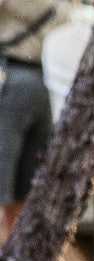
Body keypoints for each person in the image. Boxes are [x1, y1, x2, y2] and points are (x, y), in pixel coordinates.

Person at [0, 1, 65, 235]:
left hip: (11, 78)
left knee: (12, 173)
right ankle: (13, 248)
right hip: (39, 79)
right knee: (24, 181)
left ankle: (11, 250)